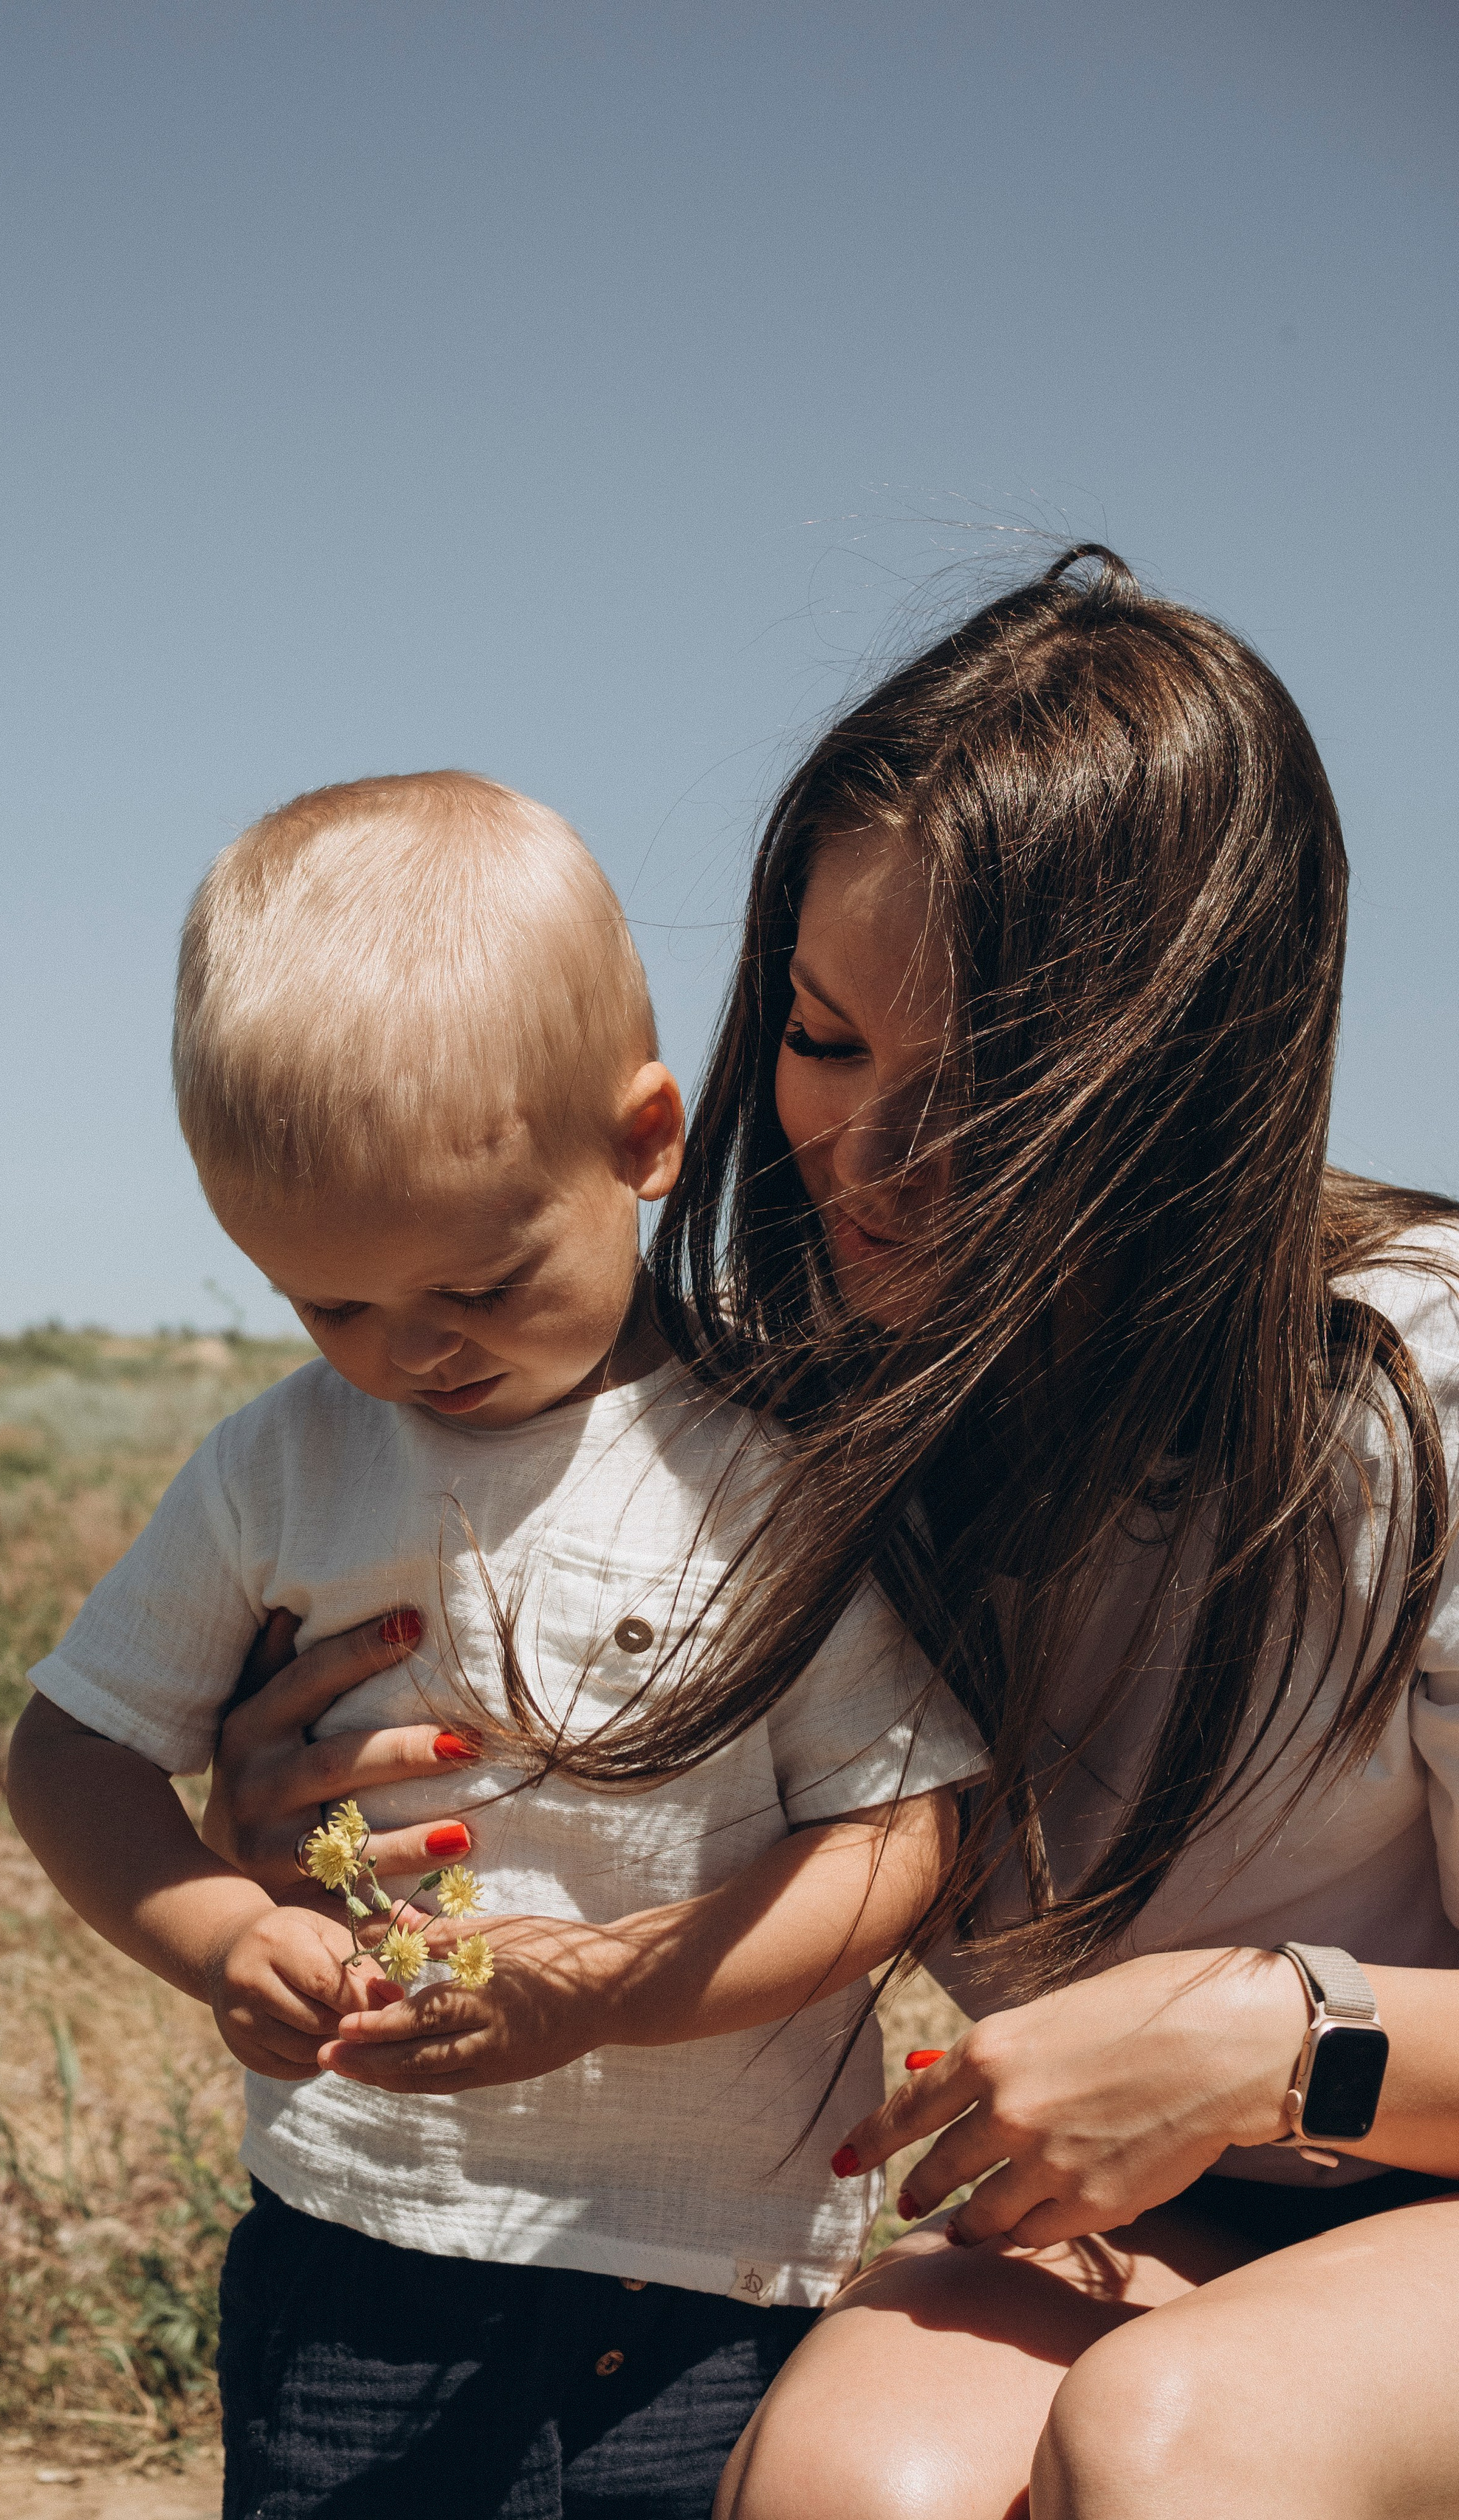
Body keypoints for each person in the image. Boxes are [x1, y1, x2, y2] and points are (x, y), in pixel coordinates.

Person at [201, 563, 1459, 2520]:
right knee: (856, 2479)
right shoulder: (805, 1418)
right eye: (824, 1037)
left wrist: (1276, 2037)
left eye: (989, 1083)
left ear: (1191, 1074)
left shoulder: (1416, 1390)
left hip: (1375, 2175)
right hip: (1169, 2209)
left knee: (1183, 2439)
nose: (868, 1156)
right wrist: (336, 1824)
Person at [4, 771, 985, 2520]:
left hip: (701, 2272)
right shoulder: (282, 1464)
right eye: (331, 1303)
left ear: (640, 1142)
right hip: (357, 2241)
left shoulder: (770, 1467)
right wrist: (219, 1931)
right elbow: (72, 1750)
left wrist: (607, 1986)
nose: (412, 1354)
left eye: (476, 1285)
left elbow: (896, 1833)